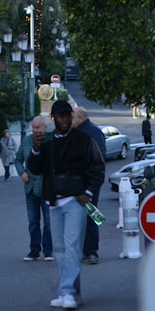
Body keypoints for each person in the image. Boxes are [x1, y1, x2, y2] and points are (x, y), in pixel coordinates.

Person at [27, 100, 105, 310]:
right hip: (54, 200)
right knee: (60, 249)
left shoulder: (84, 140)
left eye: (67, 115)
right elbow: (34, 169)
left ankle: (67, 292)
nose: (64, 119)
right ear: (53, 118)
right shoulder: (47, 143)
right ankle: (72, 291)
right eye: (60, 116)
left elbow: (98, 167)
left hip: (75, 201)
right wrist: (35, 149)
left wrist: (88, 192)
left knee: (71, 247)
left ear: (71, 117)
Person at [15, 116, 53, 262]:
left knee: (49, 222)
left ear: (45, 127)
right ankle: (34, 250)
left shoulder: (50, 141)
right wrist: (22, 172)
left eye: (38, 127)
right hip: (30, 187)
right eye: (33, 127)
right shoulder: (26, 141)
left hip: (47, 187)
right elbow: (18, 159)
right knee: (33, 221)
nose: (35, 130)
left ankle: (48, 251)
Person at [72, 106, 105, 265]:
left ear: (80, 118)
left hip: (87, 182)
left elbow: (97, 159)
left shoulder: (88, 132)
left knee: (89, 215)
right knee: (88, 215)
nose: (70, 120)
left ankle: (91, 251)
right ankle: (88, 251)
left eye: (73, 117)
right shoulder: (94, 131)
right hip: (89, 181)